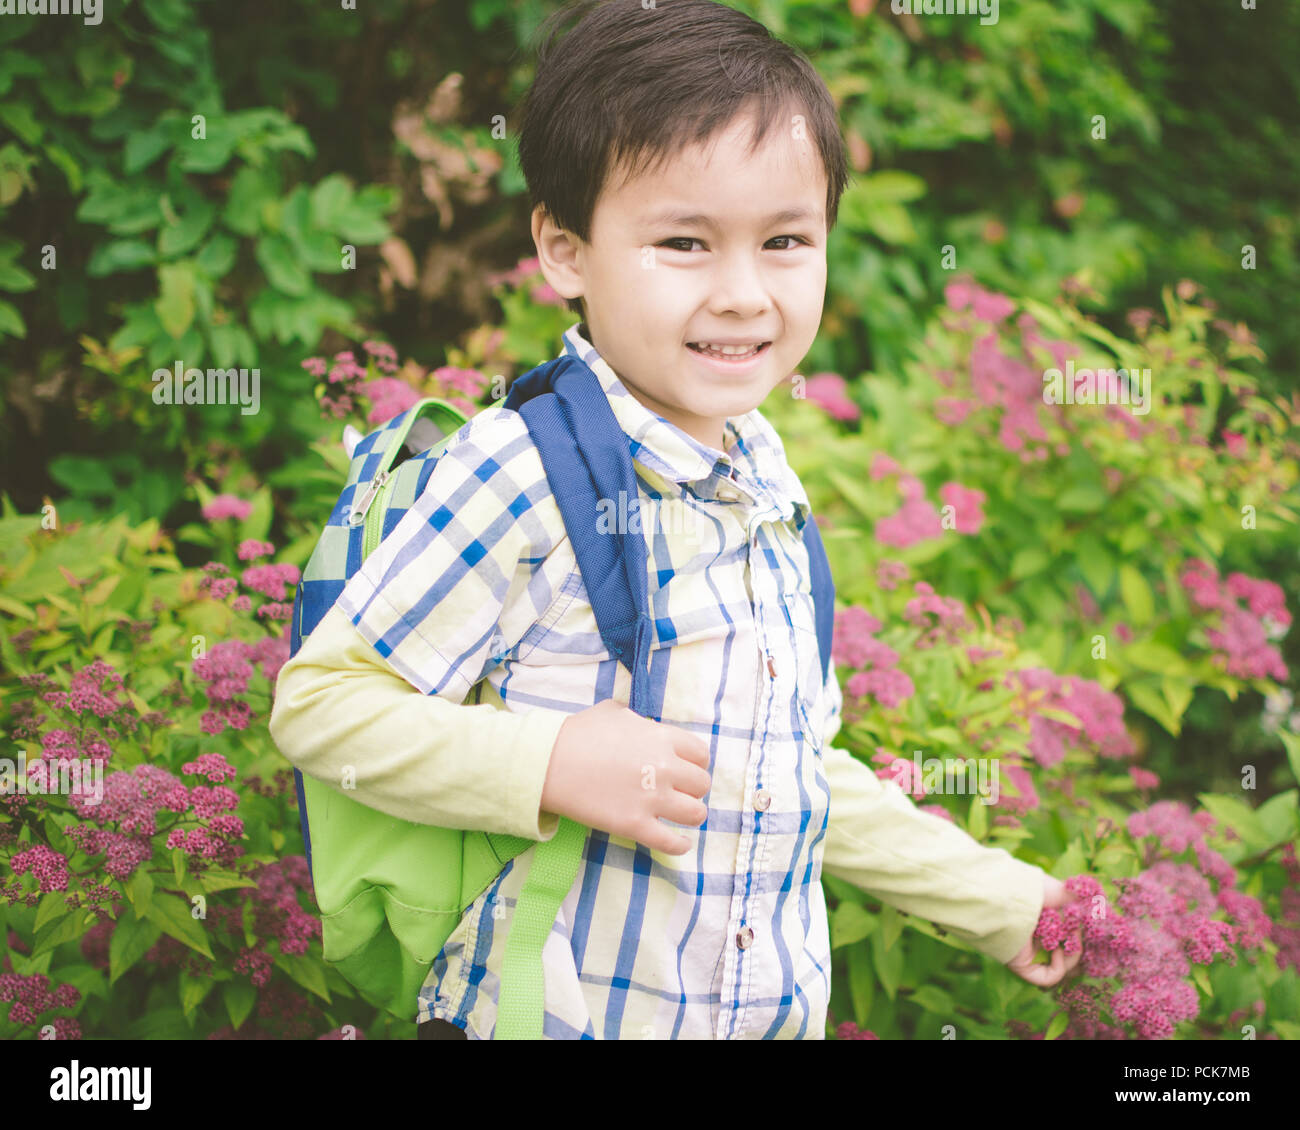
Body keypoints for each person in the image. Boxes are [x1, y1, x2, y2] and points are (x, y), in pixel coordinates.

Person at [268, 0, 1081, 1041]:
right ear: (565, 250)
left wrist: (997, 899)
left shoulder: (767, 481)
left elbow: (789, 772)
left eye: (785, 239)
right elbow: (323, 707)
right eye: (685, 241)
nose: (744, 293)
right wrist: (550, 763)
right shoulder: (522, 470)